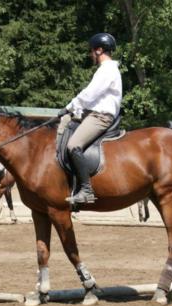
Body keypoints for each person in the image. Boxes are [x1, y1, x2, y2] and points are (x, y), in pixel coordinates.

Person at [57, 32, 122, 204]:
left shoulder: (107, 69)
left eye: (92, 51)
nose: (90, 54)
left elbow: (90, 94)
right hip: (92, 113)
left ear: (99, 50)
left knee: (73, 145)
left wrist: (69, 107)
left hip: (100, 117)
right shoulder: (106, 69)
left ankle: (86, 190)